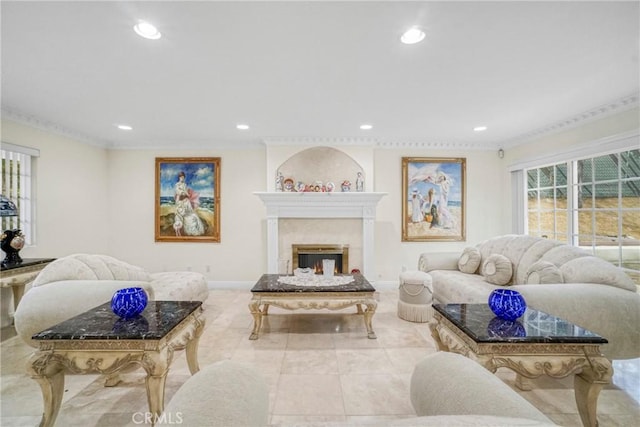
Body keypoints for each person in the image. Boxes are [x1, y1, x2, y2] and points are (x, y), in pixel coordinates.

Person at [174, 171, 205, 236]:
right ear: (179, 178)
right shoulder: (177, 184)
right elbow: (178, 192)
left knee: (192, 215)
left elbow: (186, 192)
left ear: (184, 178)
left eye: (183, 177)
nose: (182, 178)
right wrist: (183, 193)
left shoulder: (185, 185)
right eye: (181, 177)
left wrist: (187, 194)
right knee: (182, 215)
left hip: (186, 201)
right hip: (180, 202)